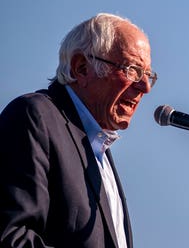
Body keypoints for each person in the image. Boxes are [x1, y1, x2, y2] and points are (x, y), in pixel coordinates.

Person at [0, 13, 157, 248]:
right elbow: (10, 236)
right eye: (132, 70)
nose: (144, 87)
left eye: (148, 75)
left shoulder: (96, 147)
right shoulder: (35, 116)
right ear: (81, 68)